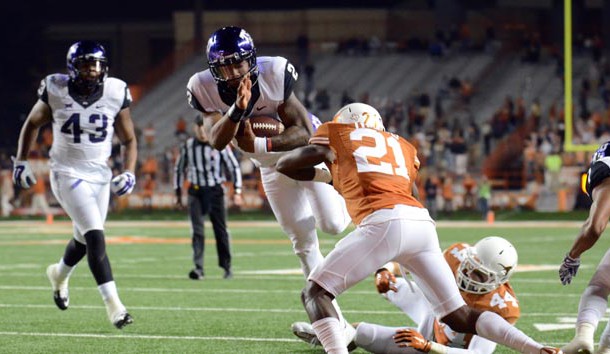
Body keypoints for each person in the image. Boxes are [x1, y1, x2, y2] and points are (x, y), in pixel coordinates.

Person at [275, 102, 561, 354]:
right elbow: (408, 190)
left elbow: (287, 165)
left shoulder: (339, 133)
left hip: (383, 221)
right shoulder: (402, 145)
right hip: (421, 223)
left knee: (316, 293)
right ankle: (536, 348)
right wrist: (336, 177)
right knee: (459, 315)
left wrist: (323, 172)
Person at [185, 26, 353, 337]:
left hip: (305, 152)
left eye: (239, 63)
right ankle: (334, 325)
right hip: (269, 167)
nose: (234, 72)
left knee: (332, 225)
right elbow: (216, 140)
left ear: (251, 59)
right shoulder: (202, 87)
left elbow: (303, 130)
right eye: (225, 66)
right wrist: (237, 110)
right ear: (213, 68)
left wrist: (261, 145)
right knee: (303, 243)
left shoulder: (274, 72)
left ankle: (331, 179)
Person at [12, 41, 137, 329]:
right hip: (66, 173)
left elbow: (129, 139)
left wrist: (129, 171)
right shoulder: (56, 89)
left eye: (95, 65)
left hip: (100, 176)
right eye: (84, 65)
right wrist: (21, 161)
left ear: (104, 69)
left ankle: (59, 274)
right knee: (95, 236)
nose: (91, 71)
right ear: (72, 68)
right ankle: (114, 306)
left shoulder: (116, 91)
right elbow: (32, 123)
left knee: (82, 240)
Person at [292, 236, 522, 354]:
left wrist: (428, 347)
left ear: (499, 279)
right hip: (435, 313)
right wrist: (386, 270)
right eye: (470, 266)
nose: (469, 274)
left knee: (362, 333)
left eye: (480, 274)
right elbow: (415, 261)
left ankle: (335, 336)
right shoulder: (456, 255)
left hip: (444, 348)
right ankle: (330, 336)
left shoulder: (501, 307)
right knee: (388, 289)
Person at [174, 115, 243, 280]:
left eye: (205, 127)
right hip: (195, 192)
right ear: (194, 128)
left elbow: (233, 167)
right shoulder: (188, 146)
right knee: (197, 231)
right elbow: (179, 168)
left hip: (215, 191)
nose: (203, 132)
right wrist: (177, 192)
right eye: (199, 128)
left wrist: (237, 191)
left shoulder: (220, 144)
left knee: (221, 231)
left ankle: (226, 267)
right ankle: (198, 268)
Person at [559, 141, 610, 354]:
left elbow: (595, 227)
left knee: (600, 284)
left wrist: (573, 256)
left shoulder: (605, 167)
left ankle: (584, 336)